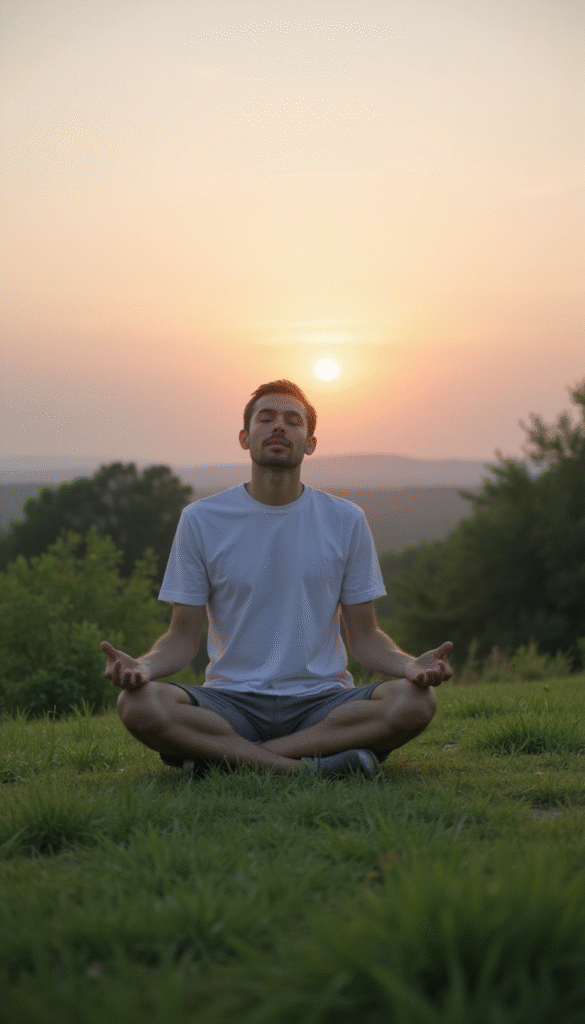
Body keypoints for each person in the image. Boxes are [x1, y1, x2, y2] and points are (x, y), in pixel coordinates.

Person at [101, 379, 452, 777]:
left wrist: (410, 667)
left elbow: (366, 637)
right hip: (230, 702)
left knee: (415, 701)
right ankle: (308, 768)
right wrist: (143, 668)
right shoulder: (201, 520)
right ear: (244, 438)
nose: (279, 427)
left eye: (293, 421)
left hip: (322, 703)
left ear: (310, 443)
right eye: (266, 418)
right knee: (139, 705)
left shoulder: (345, 519)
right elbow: (181, 639)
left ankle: (231, 760)